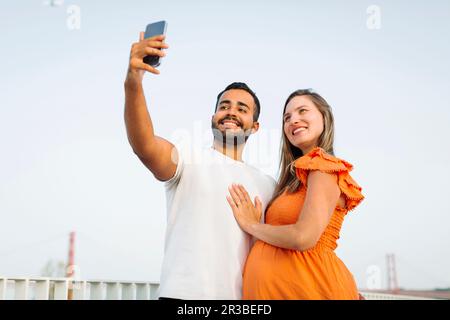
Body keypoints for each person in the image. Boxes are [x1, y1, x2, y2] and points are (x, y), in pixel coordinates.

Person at [124, 31, 276, 299]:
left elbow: (291, 244)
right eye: (224, 106)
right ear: (213, 116)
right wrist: (133, 81)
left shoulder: (269, 185)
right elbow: (144, 145)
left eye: (242, 109)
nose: (231, 112)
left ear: (255, 126)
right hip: (182, 296)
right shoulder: (187, 157)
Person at [226, 89, 365, 299]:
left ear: (324, 118)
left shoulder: (323, 168)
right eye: (287, 118)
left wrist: (251, 225)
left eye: (303, 111)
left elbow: (303, 237)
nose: (294, 120)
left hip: (311, 288)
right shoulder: (292, 180)